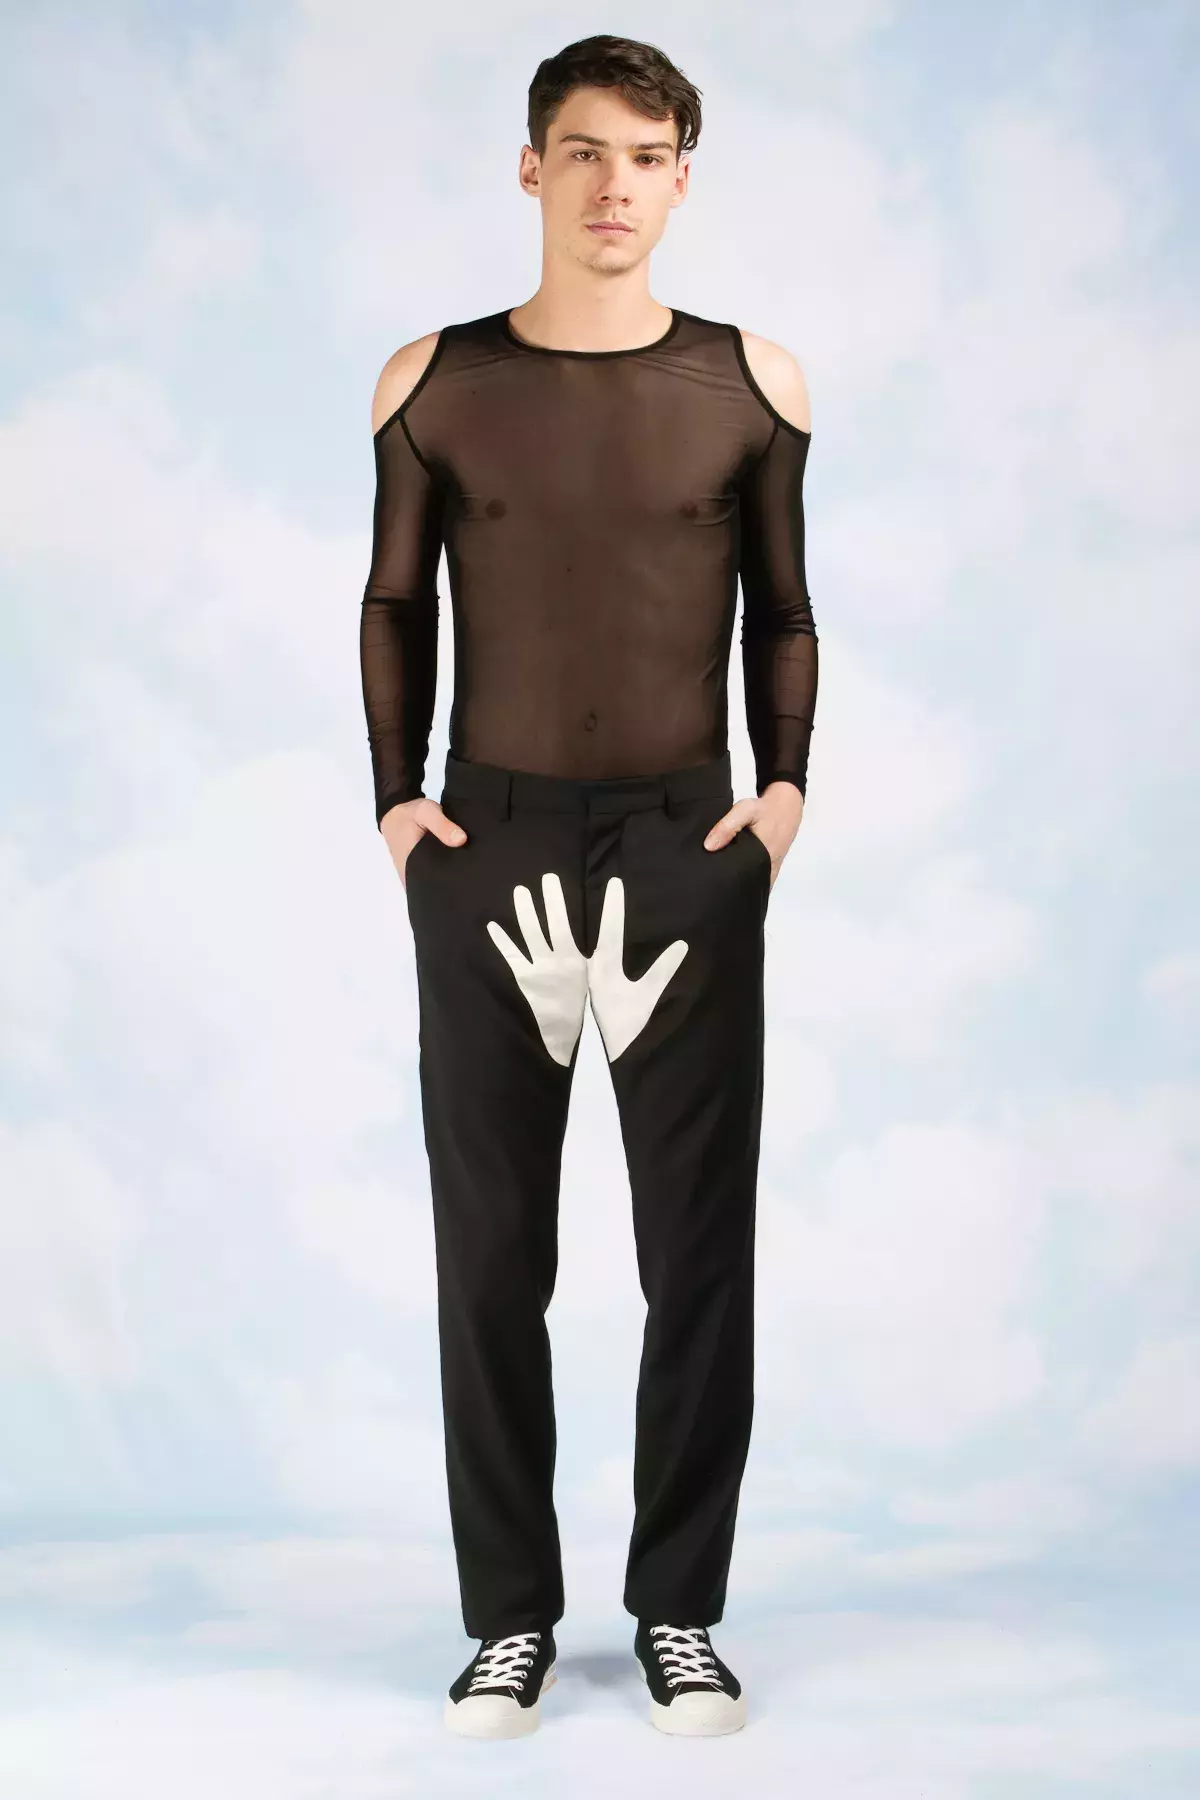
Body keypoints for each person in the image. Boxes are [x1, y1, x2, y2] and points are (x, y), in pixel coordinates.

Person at [360, 34, 816, 1741]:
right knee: (491, 1254)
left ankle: (679, 1607)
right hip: (488, 848)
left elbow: (784, 605)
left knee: (698, 1251)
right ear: (530, 168)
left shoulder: (753, 384)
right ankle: (509, 1621)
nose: (613, 184)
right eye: (583, 151)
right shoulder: (434, 381)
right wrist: (397, 806)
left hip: (688, 852)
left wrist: (780, 801)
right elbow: (395, 600)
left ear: (682, 179)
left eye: (645, 155)